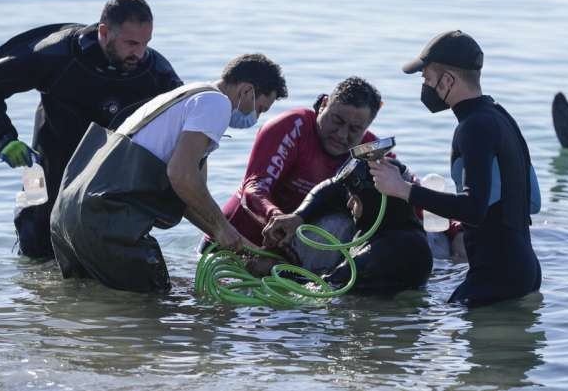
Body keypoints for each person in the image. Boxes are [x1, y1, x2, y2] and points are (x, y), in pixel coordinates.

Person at [0, 0, 183, 259]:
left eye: (145, 43)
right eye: (130, 43)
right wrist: (2, 139)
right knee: (34, 248)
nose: (139, 53)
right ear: (104, 32)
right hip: (44, 166)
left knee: (106, 256)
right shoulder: (56, 53)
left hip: (109, 180)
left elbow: (185, 127)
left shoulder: (156, 73)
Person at [50, 54, 288, 293]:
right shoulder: (216, 104)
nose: (256, 118)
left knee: (89, 300)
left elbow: (187, 198)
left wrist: (243, 247)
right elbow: (181, 174)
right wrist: (222, 228)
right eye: (260, 108)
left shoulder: (189, 95)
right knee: (157, 307)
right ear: (246, 90)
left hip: (71, 212)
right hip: (107, 218)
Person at [369, 30, 542, 307]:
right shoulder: (502, 118)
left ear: (448, 80)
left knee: (434, 333)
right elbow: (532, 201)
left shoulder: (473, 128)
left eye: (427, 78)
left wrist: (402, 189)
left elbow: (474, 209)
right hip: (524, 270)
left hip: (496, 276)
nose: (425, 86)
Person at [199, 77, 388, 273]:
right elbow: (254, 187)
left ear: (367, 126)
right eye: (336, 121)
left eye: (355, 129)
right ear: (324, 104)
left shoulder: (370, 150)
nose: (341, 134)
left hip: (288, 262)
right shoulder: (292, 125)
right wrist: (277, 216)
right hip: (231, 246)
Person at [262, 156, 433, 294]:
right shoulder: (398, 222)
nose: (349, 204)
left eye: (355, 199)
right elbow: (333, 188)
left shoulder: (392, 250)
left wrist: (273, 270)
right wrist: (298, 217)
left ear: (375, 204)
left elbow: (326, 285)